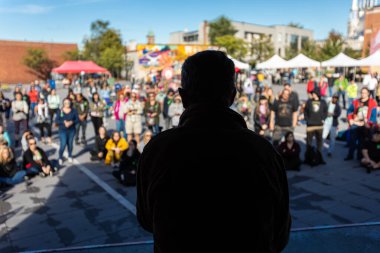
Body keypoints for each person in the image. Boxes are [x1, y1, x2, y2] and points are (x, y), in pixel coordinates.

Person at [137, 51, 291, 253]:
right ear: (233, 95)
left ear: (183, 97)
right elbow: (280, 233)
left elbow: (147, 220)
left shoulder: (158, 150)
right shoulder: (263, 152)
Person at [345, 87, 377, 161]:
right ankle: (350, 155)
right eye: (362, 92)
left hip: (365, 125)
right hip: (355, 123)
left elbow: (374, 116)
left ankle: (360, 156)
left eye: (365, 93)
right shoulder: (356, 101)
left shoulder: (372, 102)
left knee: (362, 142)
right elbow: (349, 111)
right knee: (352, 141)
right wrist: (350, 119)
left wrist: (369, 123)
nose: (363, 94)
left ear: (368, 93)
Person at [304, 90, 328, 162]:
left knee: (319, 143)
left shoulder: (323, 102)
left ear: (317, 94)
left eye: (314, 93)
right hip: (310, 125)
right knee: (309, 143)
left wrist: (323, 119)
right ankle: (307, 158)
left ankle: (320, 158)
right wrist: (307, 120)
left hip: (319, 125)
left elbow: (325, 111)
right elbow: (305, 111)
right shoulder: (309, 102)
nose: (312, 95)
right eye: (312, 94)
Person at [56, 98, 79, 165]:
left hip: (71, 130)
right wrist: (64, 122)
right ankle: (60, 157)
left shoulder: (74, 110)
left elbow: (77, 119)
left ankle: (70, 155)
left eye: (68, 103)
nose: (67, 104)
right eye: (65, 103)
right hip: (62, 130)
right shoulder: (60, 111)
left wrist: (72, 122)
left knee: (70, 144)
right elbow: (57, 120)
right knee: (63, 144)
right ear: (63, 103)